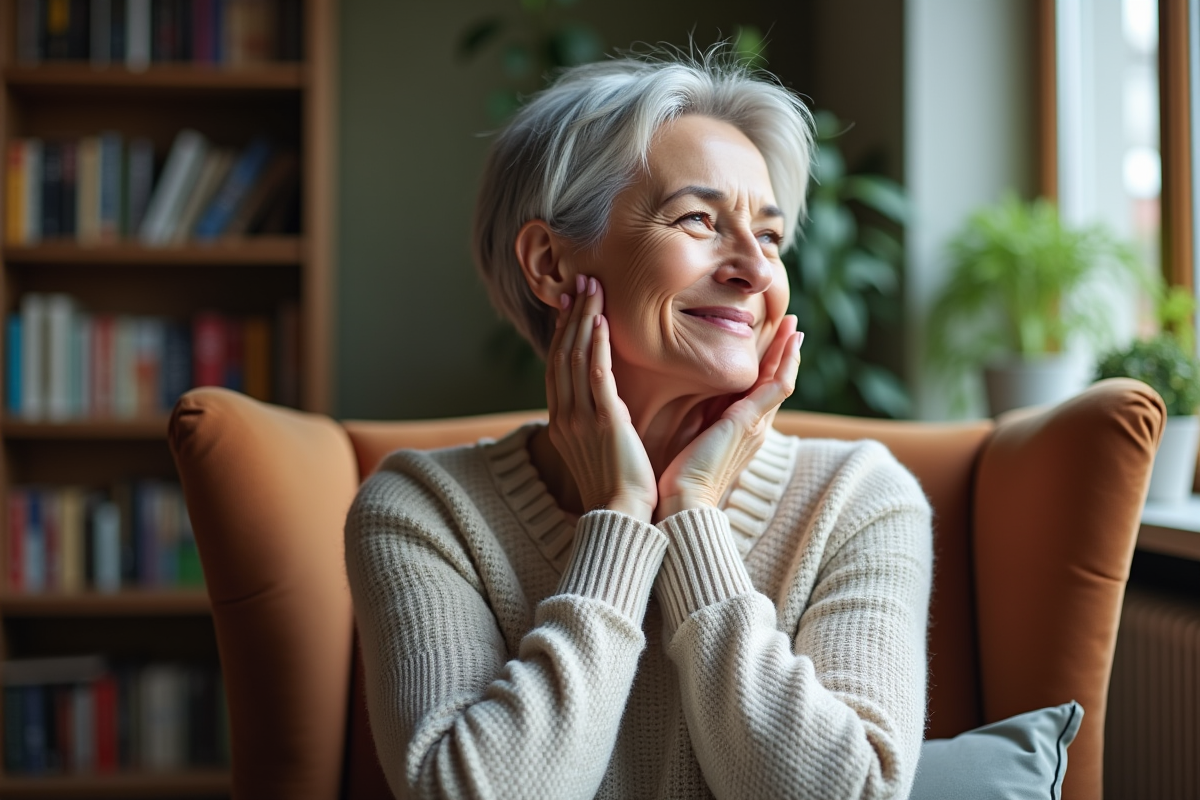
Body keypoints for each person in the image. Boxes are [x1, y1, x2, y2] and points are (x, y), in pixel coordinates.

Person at [345, 50, 933, 800]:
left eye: (769, 236)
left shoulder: (860, 498)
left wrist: (692, 514)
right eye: (698, 220)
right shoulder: (424, 511)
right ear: (551, 264)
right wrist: (620, 518)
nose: (756, 270)